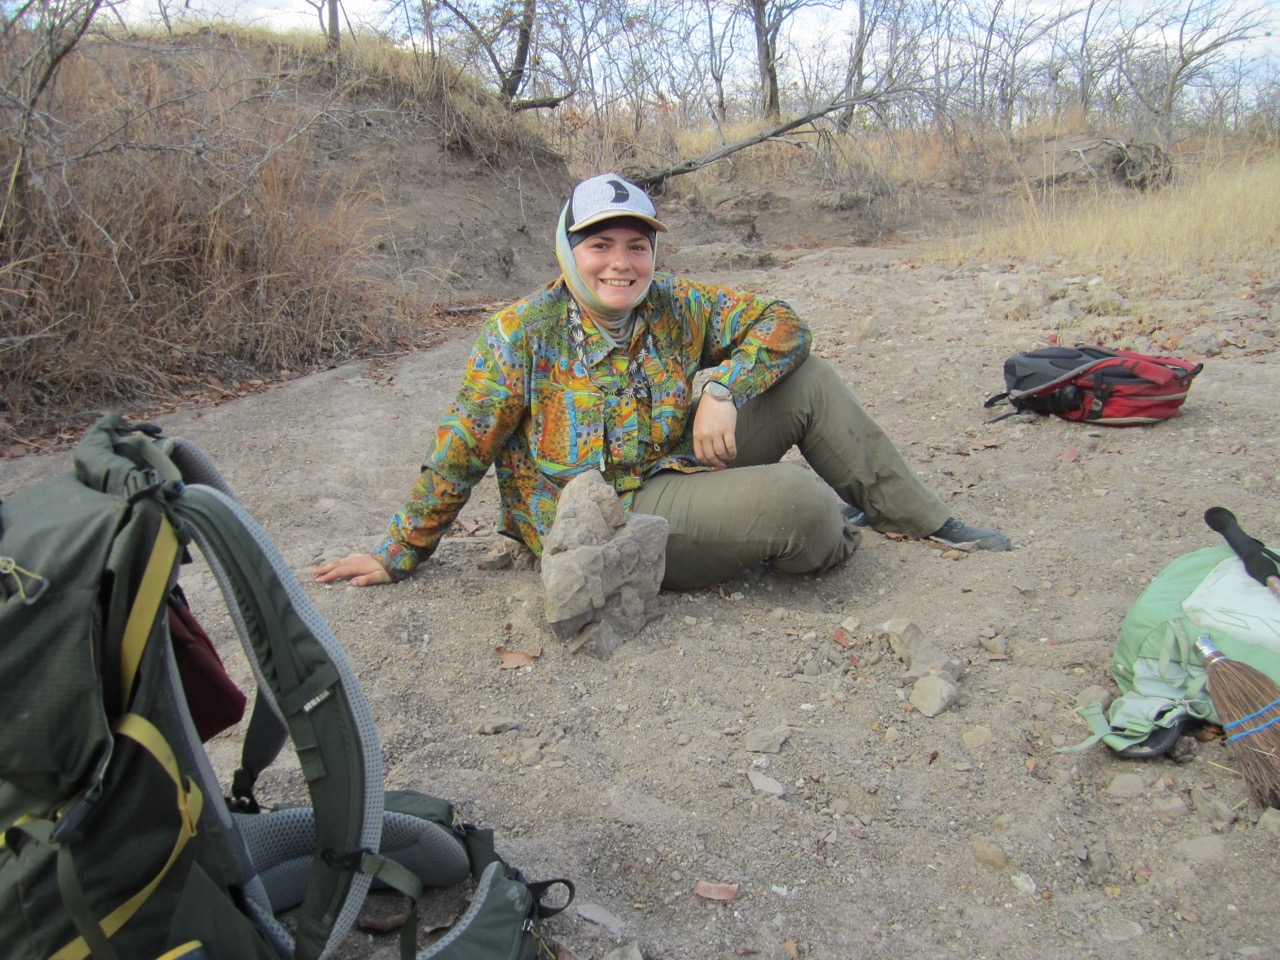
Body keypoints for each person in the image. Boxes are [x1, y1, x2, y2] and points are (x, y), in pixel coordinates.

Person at [314, 173, 1010, 592]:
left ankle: (915, 517)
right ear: (568, 251)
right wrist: (400, 551)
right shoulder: (520, 333)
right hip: (611, 518)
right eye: (600, 245)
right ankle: (834, 531)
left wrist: (722, 389)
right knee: (806, 506)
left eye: (636, 246)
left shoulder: (674, 303)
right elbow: (460, 449)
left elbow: (784, 324)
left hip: (673, 460)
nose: (621, 264)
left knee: (809, 382)